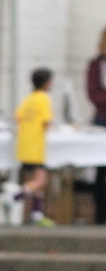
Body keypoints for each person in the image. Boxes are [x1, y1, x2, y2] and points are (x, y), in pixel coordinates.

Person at [15, 68, 55, 226]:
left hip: (24, 143)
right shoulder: (44, 98)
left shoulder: (29, 98)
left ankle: (36, 213)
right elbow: (46, 121)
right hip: (37, 145)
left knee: (34, 182)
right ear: (46, 83)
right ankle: (14, 197)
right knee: (41, 180)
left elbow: (17, 117)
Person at [87, 27, 106, 224]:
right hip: (103, 118)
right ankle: (100, 212)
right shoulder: (96, 65)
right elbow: (94, 93)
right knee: (101, 169)